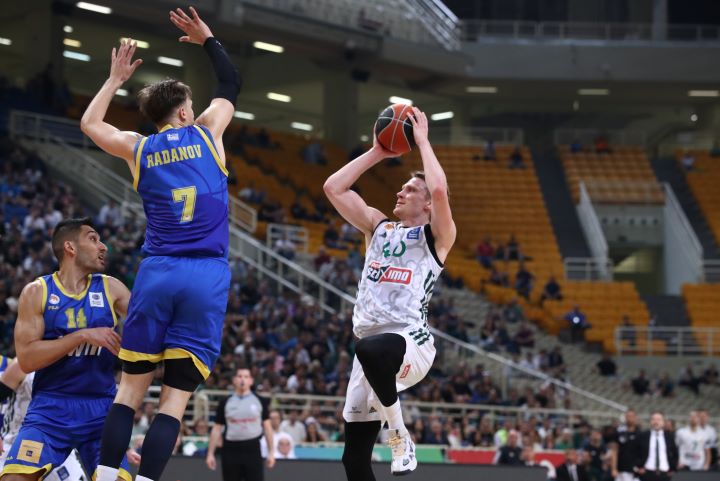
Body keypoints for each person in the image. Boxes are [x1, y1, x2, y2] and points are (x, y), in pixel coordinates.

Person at [80, 7, 241, 481]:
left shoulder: (139, 147)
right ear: (186, 112)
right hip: (205, 275)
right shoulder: (208, 132)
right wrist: (208, 38)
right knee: (174, 401)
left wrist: (114, 80)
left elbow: (91, 124)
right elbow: (231, 81)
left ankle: (106, 476)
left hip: (157, 273)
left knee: (129, 392)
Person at [323, 107, 455, 478]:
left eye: (410, 189)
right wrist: (377, 152)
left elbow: (440, 189)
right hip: (369, 346)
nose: (400, 191)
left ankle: (399, 437)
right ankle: (396, 436)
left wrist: (422, 142)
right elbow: (333, 188)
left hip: (409, 341)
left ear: (427, 204)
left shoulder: (437, 237)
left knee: (371, 350)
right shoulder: (377, 226)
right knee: (353, 460)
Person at [2, 218, 133, 481]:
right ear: (70, 247)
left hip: (101, 410)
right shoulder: (37, 291)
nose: (103, 247)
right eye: (93, 239)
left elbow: (149, 333)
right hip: (50, 408)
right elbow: (26, 360)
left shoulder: (112, 288)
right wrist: (82, 336)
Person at [206, 369, 275, 481]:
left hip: (253, 448)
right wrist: (210, 454)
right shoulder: (225, 402)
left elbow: (267, 428)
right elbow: (216, 428)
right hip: (230, 449)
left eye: (246, 376)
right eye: (239, 376)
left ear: (251, 381)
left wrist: (271, 452)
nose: (242, 379)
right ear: (234, 380)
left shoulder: (260, 401)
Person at [635, 412, 678, 481]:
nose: (656, 422)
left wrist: (673, 468)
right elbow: (635, 452)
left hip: (665, 473)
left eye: (659, 419)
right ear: (650, 421)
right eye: (653, 419)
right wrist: (638, 467)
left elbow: (675, 453)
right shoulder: (643, 436)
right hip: (647, 472)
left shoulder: (669, 437)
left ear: (663, 422)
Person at [610, 408, 640, 481]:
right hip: (621, 470)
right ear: (625, 417)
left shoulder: (640, 434)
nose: (630, 418)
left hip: (636, 470)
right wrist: (613, 468)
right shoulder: (619, 432)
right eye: (628, 416)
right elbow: (614, 451)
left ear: (636, 417)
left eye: (632, 416)